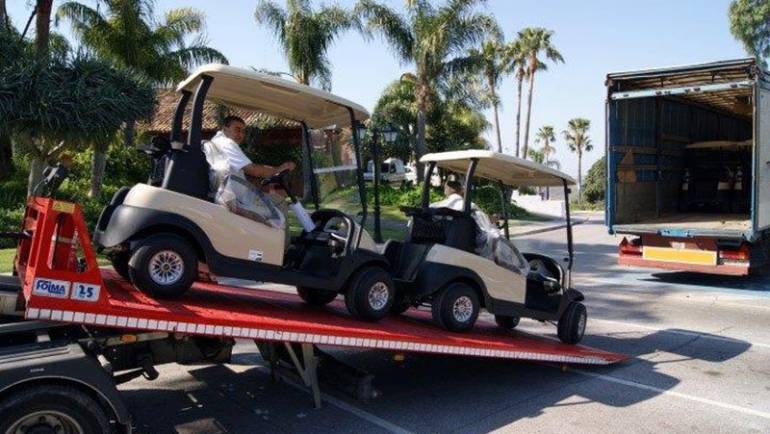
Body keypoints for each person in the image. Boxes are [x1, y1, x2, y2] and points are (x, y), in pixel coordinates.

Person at [203, 116, 296, 230]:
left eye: (243, 131)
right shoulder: (226, 143)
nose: (241, 134)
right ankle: (284, 246)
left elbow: (245, 172)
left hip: (237, 194)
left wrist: (274, 172)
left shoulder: (219, 142)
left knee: (275, 199)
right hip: (238, 199)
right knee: (279, 203)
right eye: (237, 129)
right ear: (225, 128)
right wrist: (279, 169)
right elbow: (253, 170)